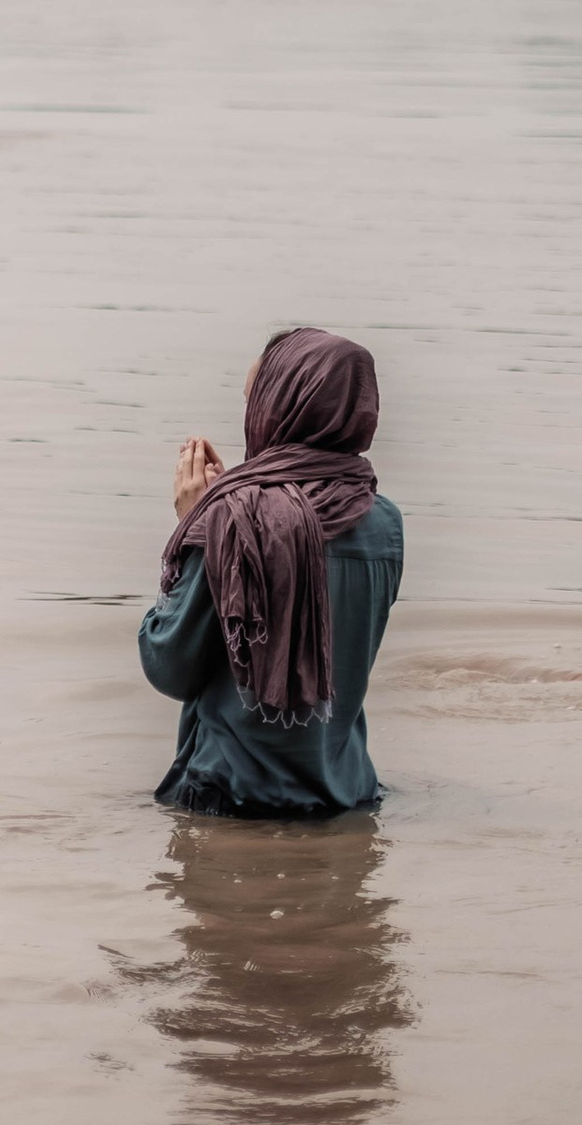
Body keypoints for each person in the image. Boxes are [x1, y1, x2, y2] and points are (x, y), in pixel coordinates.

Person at [139, 325, 402, 816]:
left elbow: (168, 667)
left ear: (284, 407)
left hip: (232, 801)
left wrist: (201, 524)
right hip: (346, 794)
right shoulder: (385, 522)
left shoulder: (233, 519)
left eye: (255, 399)